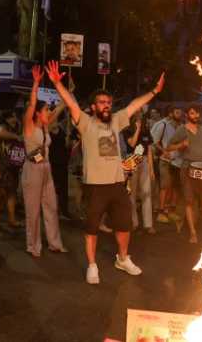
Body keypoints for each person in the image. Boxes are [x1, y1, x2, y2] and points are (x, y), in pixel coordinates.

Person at [46, 60, 165, 284]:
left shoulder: (117, 120)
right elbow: (71, 103)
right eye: (101, 102)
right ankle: (92, 265)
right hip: (95, 186)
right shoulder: (85, 122)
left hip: (118, 184)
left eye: (108, 102)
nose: (106, 105)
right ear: (93, 107)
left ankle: (123, 258)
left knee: (124, 224)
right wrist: (56, 84)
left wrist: (154, 91)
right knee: (92, 228)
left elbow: (133, 106)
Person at [21, 65, 68, 257]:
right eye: (46, 110)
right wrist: (36, 83)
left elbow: (64, 103)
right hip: (32, 169)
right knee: (33, 211)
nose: (49, 113)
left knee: (51, 206)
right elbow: (32, 104)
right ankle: (33, 246)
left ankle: (55, 243)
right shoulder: (29, 126)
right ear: (38, 113)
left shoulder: (47, 125)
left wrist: (61, 86)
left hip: (46, 167)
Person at [167, 105, 202, 245]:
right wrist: (181, 145)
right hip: (188, 169)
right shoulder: (181, 130)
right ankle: (193, 233)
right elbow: (169, 146)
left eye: (197, 113)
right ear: (187, 115)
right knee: (189, 202)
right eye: (192, 113)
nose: (195, 116)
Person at [0, 109, 24, 230]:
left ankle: (11, 220)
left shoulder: (17, 128)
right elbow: (0, 133)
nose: (15, 118)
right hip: (0, 166)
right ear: (7, 118)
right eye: (13, 116)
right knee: (0, 194)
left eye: (15, 116)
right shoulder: (3, 127)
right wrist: (17, 136)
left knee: (11, 193)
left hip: (12, 166)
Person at [124, 113, 156, 233]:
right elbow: (132, 144)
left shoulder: (146, 131)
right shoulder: (127, 130)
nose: (139, 120)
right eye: (137, 118)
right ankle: (134, 222)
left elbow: (148, 150)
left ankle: (148, 224)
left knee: (146, 192)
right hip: (131, 159)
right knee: (131, 193)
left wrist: (151, 169)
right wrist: (137, 129)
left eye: (141, 118)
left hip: (143, 160)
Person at [151, 105, 183, 224]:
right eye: (177, 112)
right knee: (165, 187)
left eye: (180, 112)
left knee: (175, 187)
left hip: (178, 161)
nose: (180, 114)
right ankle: (161, 212)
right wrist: (164, 151)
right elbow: (155, 142)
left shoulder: (181, 126)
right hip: (165, 161)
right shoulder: (163, 125)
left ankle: (171, 210)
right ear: (170, 113)